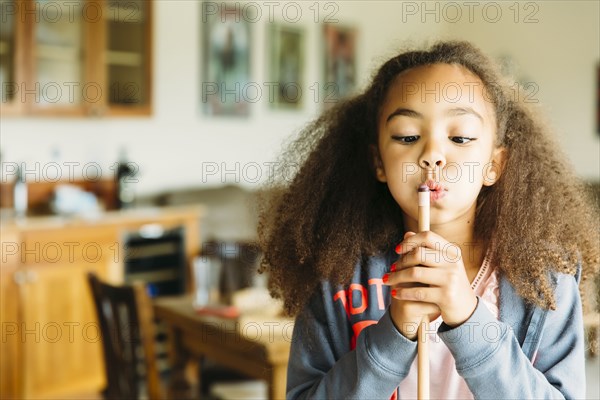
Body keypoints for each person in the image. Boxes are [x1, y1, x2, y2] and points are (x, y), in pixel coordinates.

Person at [257, 41, 599, 399]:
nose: (432, 155)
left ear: (494, 165)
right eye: (407, 136)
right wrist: (395, 332)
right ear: (378, 162)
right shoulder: (335, 271)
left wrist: (468, 318)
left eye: (460, 137)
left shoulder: (546, 276)